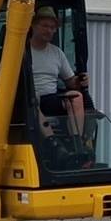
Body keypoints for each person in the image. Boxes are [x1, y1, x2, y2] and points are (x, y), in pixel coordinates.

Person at [27, 7, 87, 138]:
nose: (49, 30)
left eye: (52, 27)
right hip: (27, 98)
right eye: (45, 26)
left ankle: (77, 142)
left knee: (76, 97)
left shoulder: (57, 52)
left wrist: (80, 81)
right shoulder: (22, 51)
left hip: (50, 98)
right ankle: (52, 143)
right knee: (33, 99)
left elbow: (71, 82)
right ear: (33, 25)